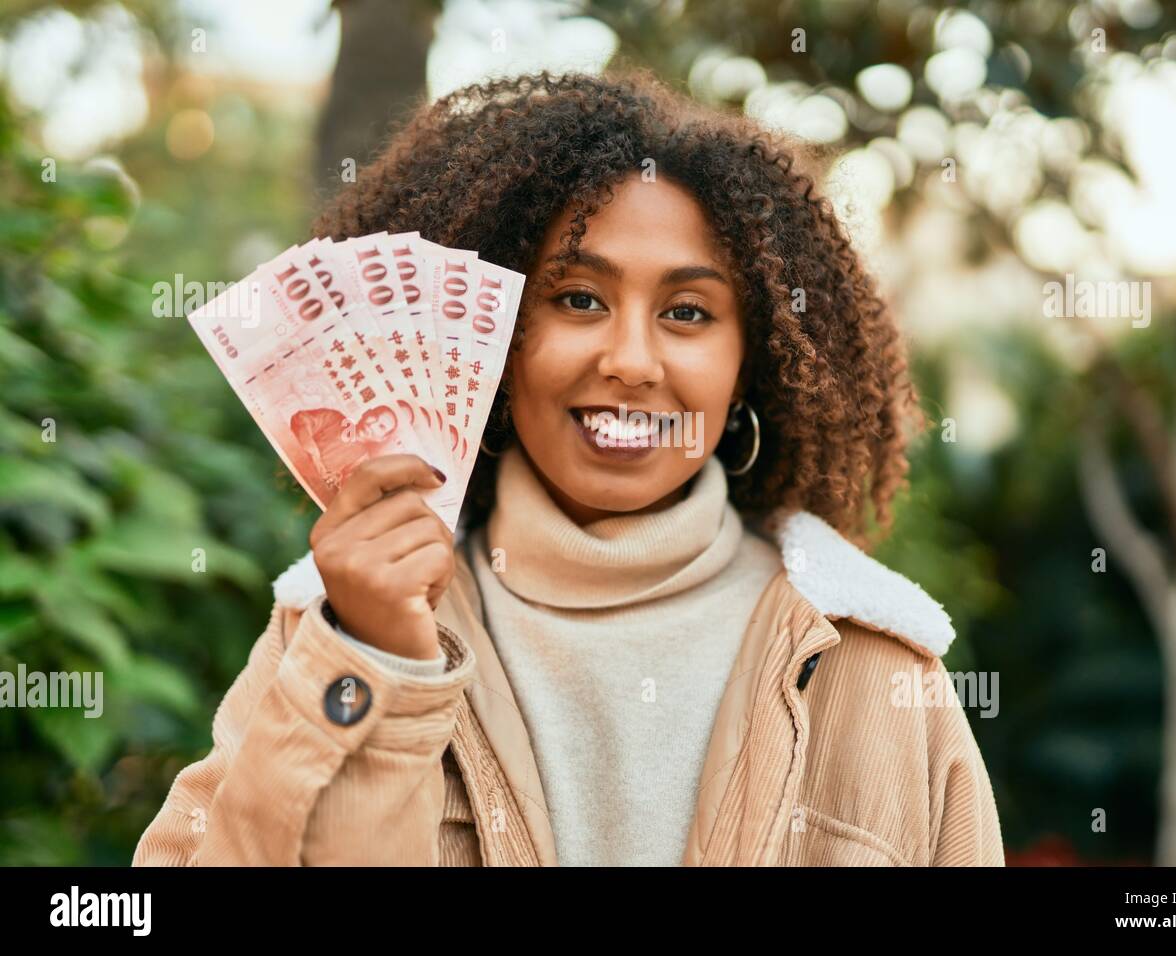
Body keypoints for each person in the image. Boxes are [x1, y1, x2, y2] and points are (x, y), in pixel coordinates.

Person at [134, 70, 1003, 867]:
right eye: (578, 298)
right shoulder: (325, 634)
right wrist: (376, 667)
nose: (630, 359)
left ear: (755, 363)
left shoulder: (878, 672)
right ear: (493, 341)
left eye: (689, 312)